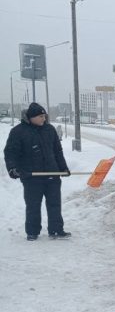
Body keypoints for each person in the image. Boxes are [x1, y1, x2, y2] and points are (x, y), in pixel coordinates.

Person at [3, 102, 71, 241]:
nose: (44, 119)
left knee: (54, 204)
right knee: (33, 205)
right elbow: (10, 152)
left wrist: (63, 168)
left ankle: (56, 230)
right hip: (31, 176)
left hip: (52, 174)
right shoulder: (18, 131)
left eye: (44, 116)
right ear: (31, 117)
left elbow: (57, 151)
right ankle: (32, 231)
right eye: (40, 116)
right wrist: (12, 169)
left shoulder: (49, 129)